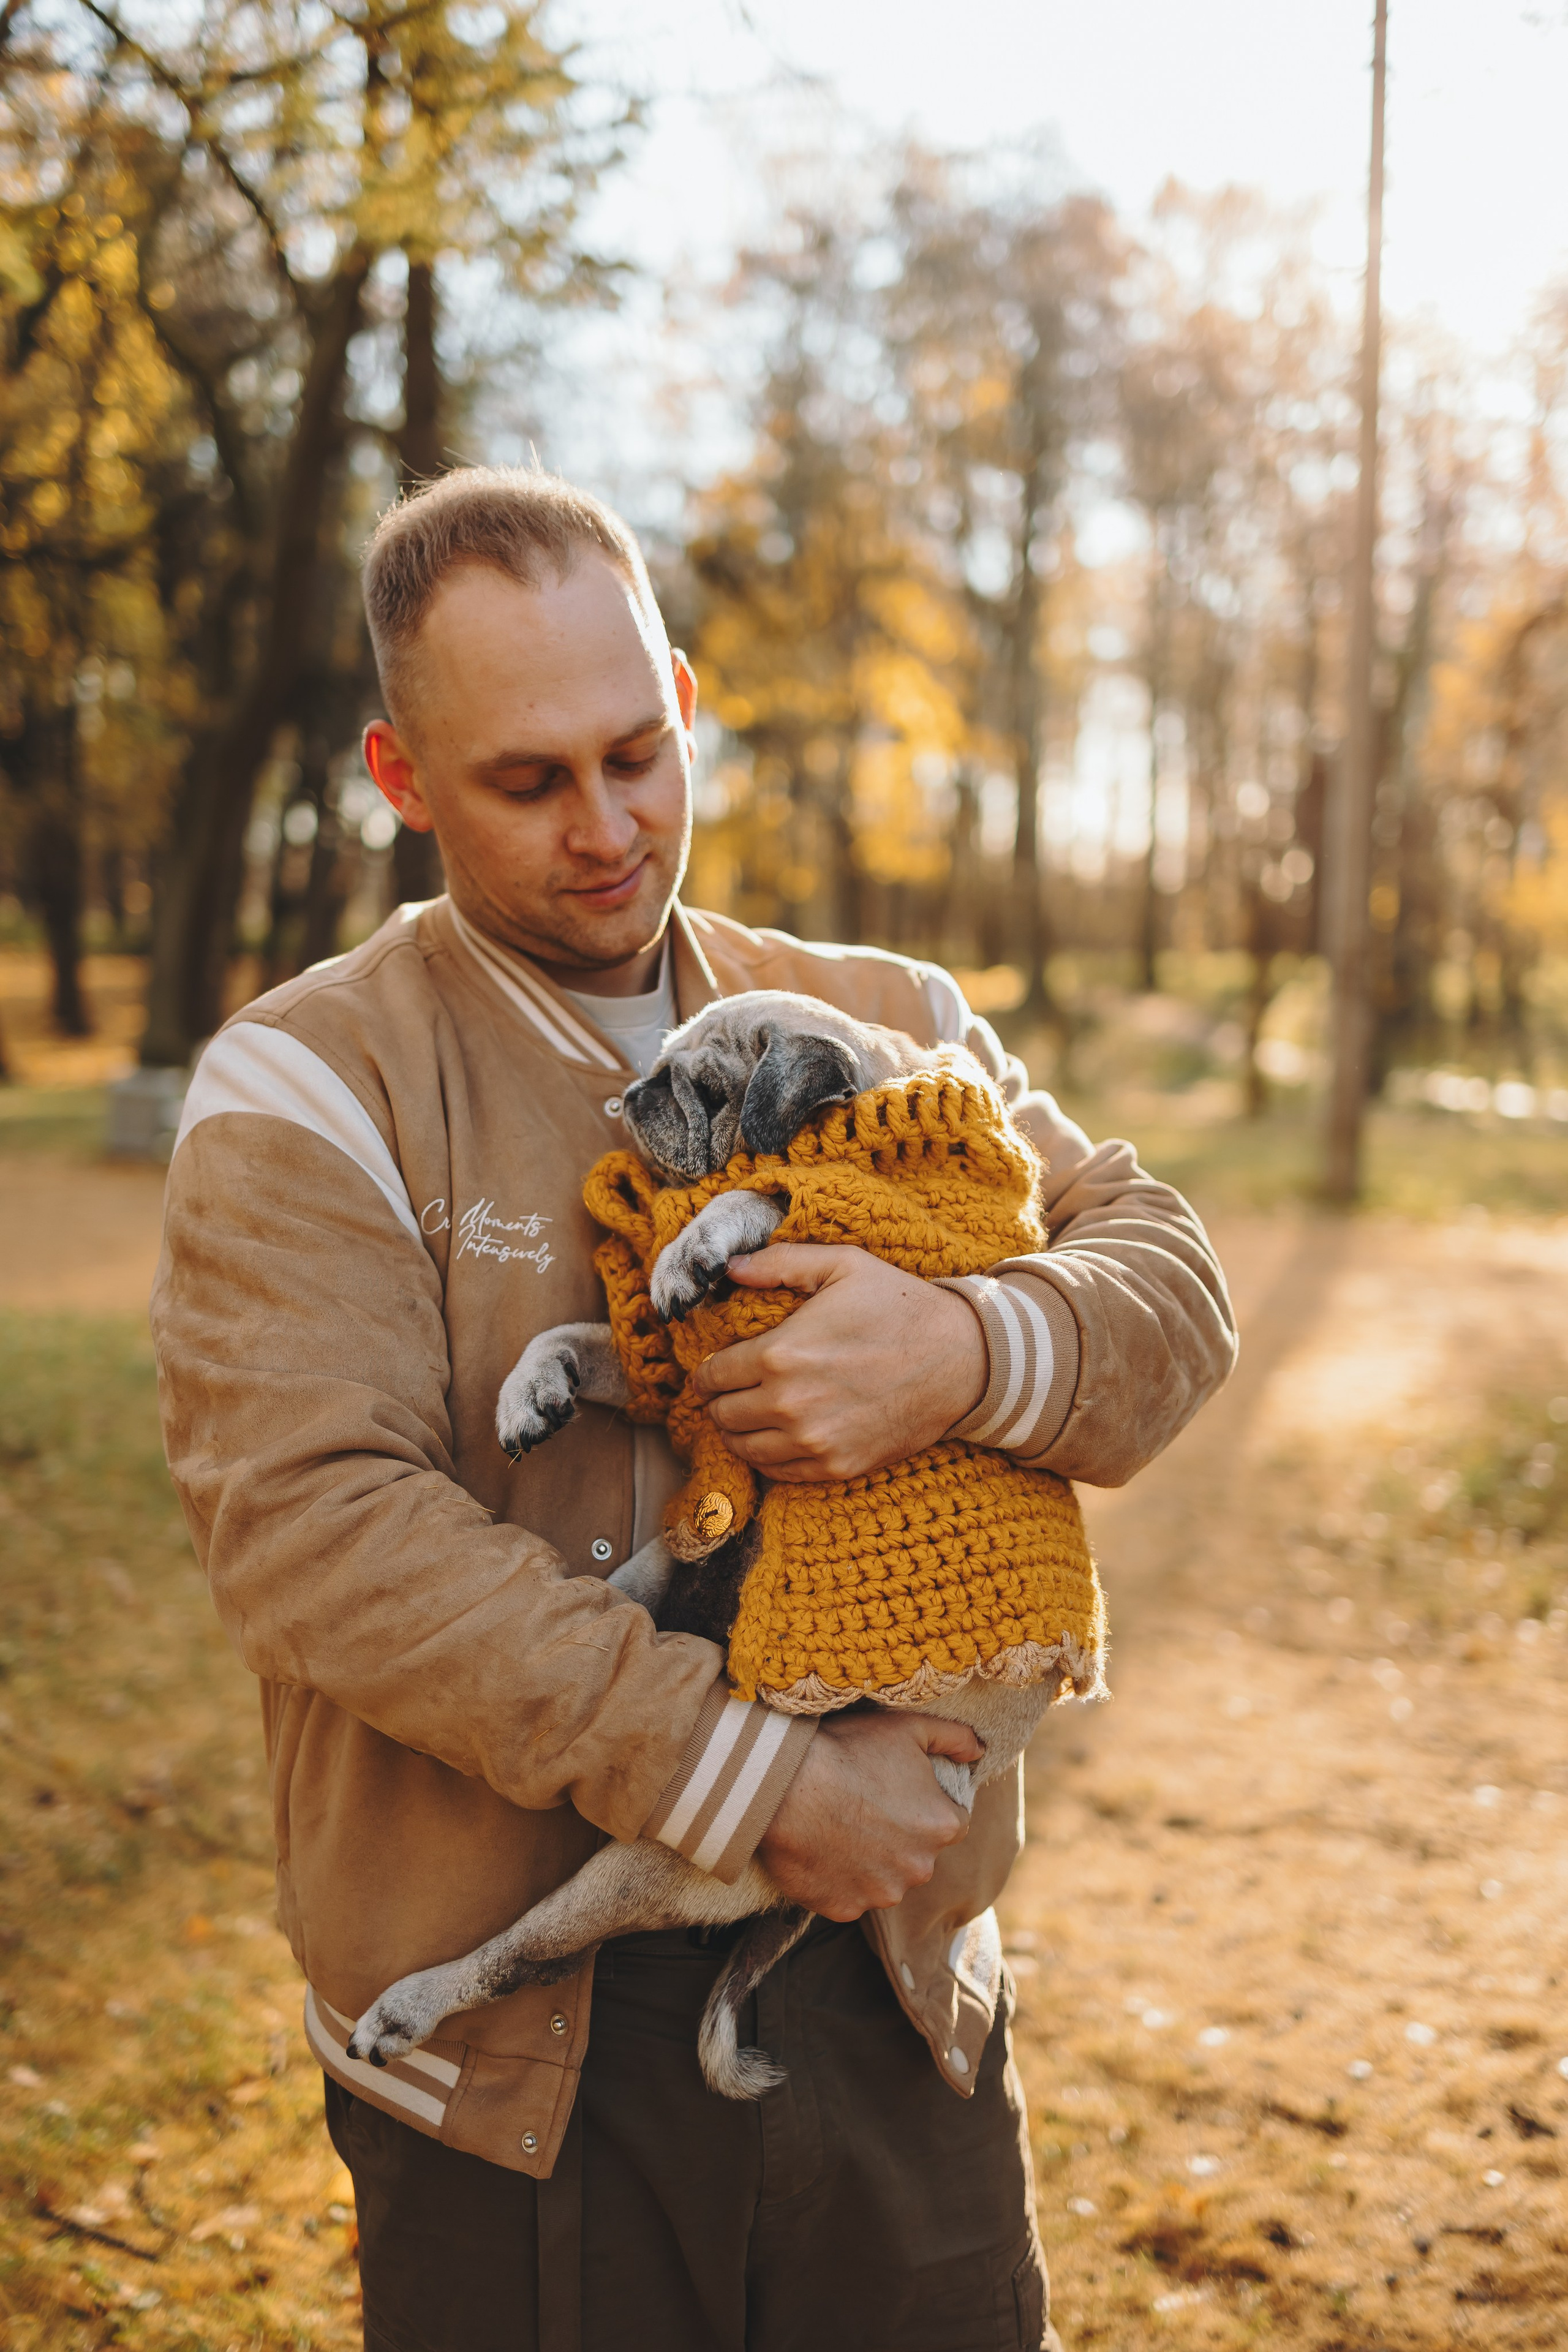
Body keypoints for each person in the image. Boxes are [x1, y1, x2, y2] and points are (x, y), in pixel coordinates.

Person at [151, 466, 1237, 2352]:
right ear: (400, 777)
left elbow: (1169, 1280)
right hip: (512, 2078)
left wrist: (964, 1353)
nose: (609, 826)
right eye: (526, 780)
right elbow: (319, 1538)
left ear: (684, 688)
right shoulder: (307, 1085)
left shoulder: (883, 1009)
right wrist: (762, 1788)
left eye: (639, 750)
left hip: (902, 2000)